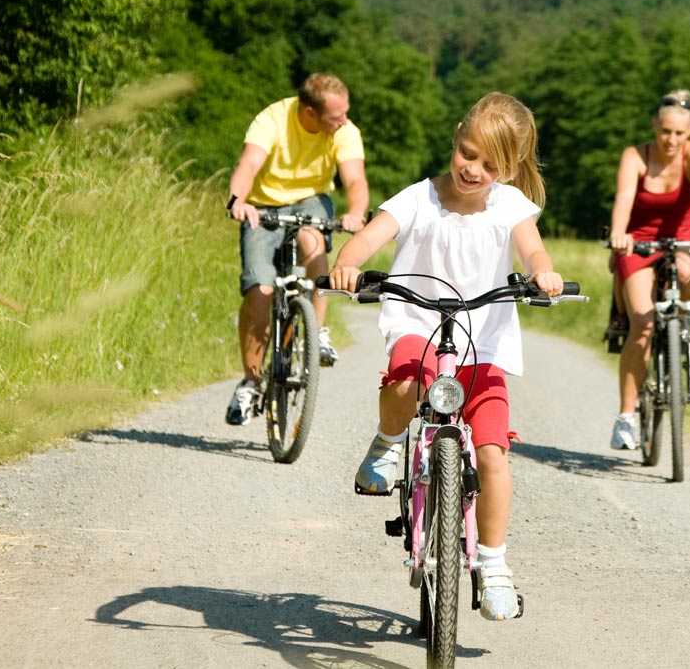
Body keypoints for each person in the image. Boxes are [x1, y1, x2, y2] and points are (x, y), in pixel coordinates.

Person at [327, 92, 562, 621]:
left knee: (494, 453)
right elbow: (369, 237)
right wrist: (348, 261)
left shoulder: (512, 207)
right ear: (456, 136)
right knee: (407, 386)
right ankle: (388, 444)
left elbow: (533, 249)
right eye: (467, 153)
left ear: (510, 168)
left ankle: (494, 562)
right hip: (418, 324)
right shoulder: (419, 198)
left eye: (489, 164)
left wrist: (543, 272)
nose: (472, 169)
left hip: (484, 347)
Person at [224, 73, 370, 427]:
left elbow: (355, 180)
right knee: (260, 290)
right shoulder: (272, 119)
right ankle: (250, 381)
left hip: (310, 200)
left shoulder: (344, 131)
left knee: (310, 238)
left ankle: (316, 331)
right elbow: (248, 164)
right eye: (336, 117)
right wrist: (237, 200)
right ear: (309, 113)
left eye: (345, 114)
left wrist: (354, 212)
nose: (344, 121)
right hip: (262, 205)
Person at [606, 89, 690, 450]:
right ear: (655, 126)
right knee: (643, 324)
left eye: (680, 133)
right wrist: (619, 234)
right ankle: (627, 417)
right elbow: (624, 200)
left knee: (687, 271)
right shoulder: (635, 156)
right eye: (666, 131)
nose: (672, 140)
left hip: (681, 240)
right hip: (638, 243)